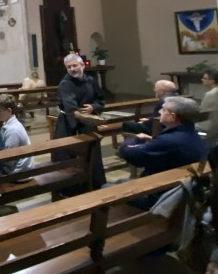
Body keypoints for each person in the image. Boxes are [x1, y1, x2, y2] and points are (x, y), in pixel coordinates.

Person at [118, 96, 207, 178]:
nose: (160, 112)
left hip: (160, 188)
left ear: (173, 117)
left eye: (164, 110)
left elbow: (132, 155)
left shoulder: (170, 140)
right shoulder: (193, 133)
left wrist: (135, 139)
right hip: (180, 181)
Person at [54, 53, 106, 190]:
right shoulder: (65, 84)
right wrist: (85, 114)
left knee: (92, 154)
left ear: (82, 65)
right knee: (67, 157)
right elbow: (71, 108)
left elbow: (101, 100)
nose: (72, 69)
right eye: (69, 67)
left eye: (75, 65)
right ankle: (70, 190)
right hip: (68, 123)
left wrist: (93, 107)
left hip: (88, 123)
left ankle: (95, 185)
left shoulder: (90, 81)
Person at [0, 94, 34, 175]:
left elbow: (9, 160)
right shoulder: (11, 123)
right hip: (21, 169)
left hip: (18, 173)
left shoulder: (12, 130)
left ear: (9, 111)